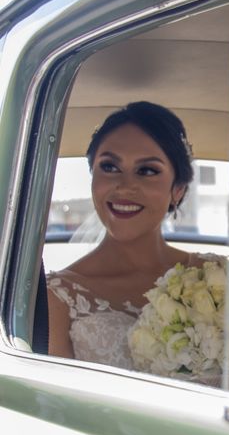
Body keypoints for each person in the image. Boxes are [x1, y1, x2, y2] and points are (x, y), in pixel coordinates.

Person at [47, 101, 219, 368]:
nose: (125, 186)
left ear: (178, 190)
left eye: (147, 171)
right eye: (110, 167)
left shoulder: (216, 277)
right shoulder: (57, 297)